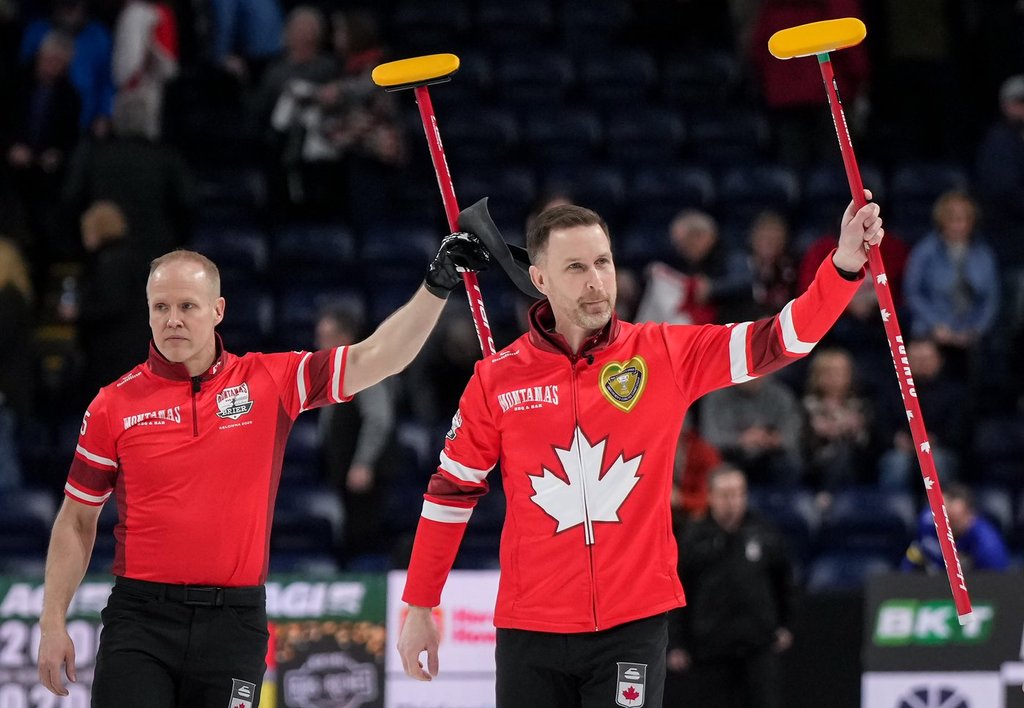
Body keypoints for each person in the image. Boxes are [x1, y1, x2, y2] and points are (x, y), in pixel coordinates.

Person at [397, 195, 883, 706]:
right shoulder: (496, 379)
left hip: (632, 625)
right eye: (576, 267)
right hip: (530, 628)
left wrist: (845, 263)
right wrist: (421, 607)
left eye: (603, 263)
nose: (596, 281)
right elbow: (450, 493)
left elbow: (780, 340)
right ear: (539, 279)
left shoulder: (663, 353)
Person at [36, 232, 490, 706]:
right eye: (160, 307)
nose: (172, 321)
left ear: (218, 310)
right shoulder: (113, 404)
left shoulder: (269, 379)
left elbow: (379, 356)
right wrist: (52, 622)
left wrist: (437, 283)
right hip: (140, 621)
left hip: (233, 623)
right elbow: (76, 520)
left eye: (188, 307)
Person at [667, 464, 796, 708]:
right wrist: (676, 643)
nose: (733, 501)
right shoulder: (693, 538)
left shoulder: (763, 532)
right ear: (711, 496)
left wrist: (786, 625)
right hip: (710, 650)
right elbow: (678, 592)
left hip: (758, 646)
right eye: (725, 494)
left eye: (738, 493)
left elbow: (784, 582)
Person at [314, 304, 398, 563]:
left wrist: (363, 462)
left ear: (345, 338)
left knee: (365, 538)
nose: (319, 344)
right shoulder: (329, 372)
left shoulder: (363, 369)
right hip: (341, 471)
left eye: (326, 337)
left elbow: (379, 419)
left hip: (364, 478)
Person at [903, 190, 1000, 381]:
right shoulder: (925, 252)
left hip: (971, 333)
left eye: (963, 219)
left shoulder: (983, 254)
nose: (958, 225)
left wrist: (976, 329)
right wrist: (937, 326)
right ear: (941, 221)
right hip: (932, 331)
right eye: (952, 218)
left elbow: (990, 298)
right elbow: (912, 292)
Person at [901, 483, 1010, 573]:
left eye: (954, 519)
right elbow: (916, 551)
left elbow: (993, 586)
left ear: (969, 514)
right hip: (931, 580)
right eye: (944, 517)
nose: (947, 524)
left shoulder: (988, 545)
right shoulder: (927, 520)